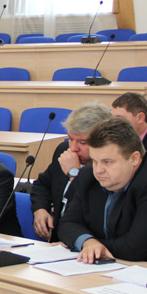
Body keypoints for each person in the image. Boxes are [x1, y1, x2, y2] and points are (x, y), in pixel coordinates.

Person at [58, 117, 147, 263]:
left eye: (107, 162)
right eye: (94, 161)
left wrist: (87, 245)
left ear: (134, 159)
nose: (98, 170)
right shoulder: (88, 176)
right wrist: (88, 242)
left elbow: (134, 249)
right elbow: (67, 224)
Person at [31, 102, 112, 241]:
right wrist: (40, 210)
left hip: (89, 241)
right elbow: (42, 185)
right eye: (70, 139)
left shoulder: (109, 167)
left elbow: (95, 212)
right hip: (57, 241)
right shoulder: (63, 151)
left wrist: (74, 173)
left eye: (83, 142)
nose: (73, 148)